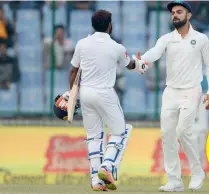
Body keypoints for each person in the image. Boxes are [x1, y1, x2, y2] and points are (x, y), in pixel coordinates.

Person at [54, 10, 148, 191]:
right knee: (121, 132)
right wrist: (141, 64)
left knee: (94, 137)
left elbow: (73, 72)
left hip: (86, 94)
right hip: (105, 93)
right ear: (109, 25)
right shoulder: (116, 47)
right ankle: (107, 165)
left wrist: (74, 96)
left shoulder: (82, 44)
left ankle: (96, 181)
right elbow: (130, 65)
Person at [136, 1, 209, 192]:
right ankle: (174, 180)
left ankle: (197, 172)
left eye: (179, 12)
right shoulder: (166, 39)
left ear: (189, 15)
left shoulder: (201, 39)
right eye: (173, 12)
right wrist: (139, 61)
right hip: (171, 91)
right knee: (167, 135)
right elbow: (154, 54)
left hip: (191, 90)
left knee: (182, 131)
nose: (175, 15)